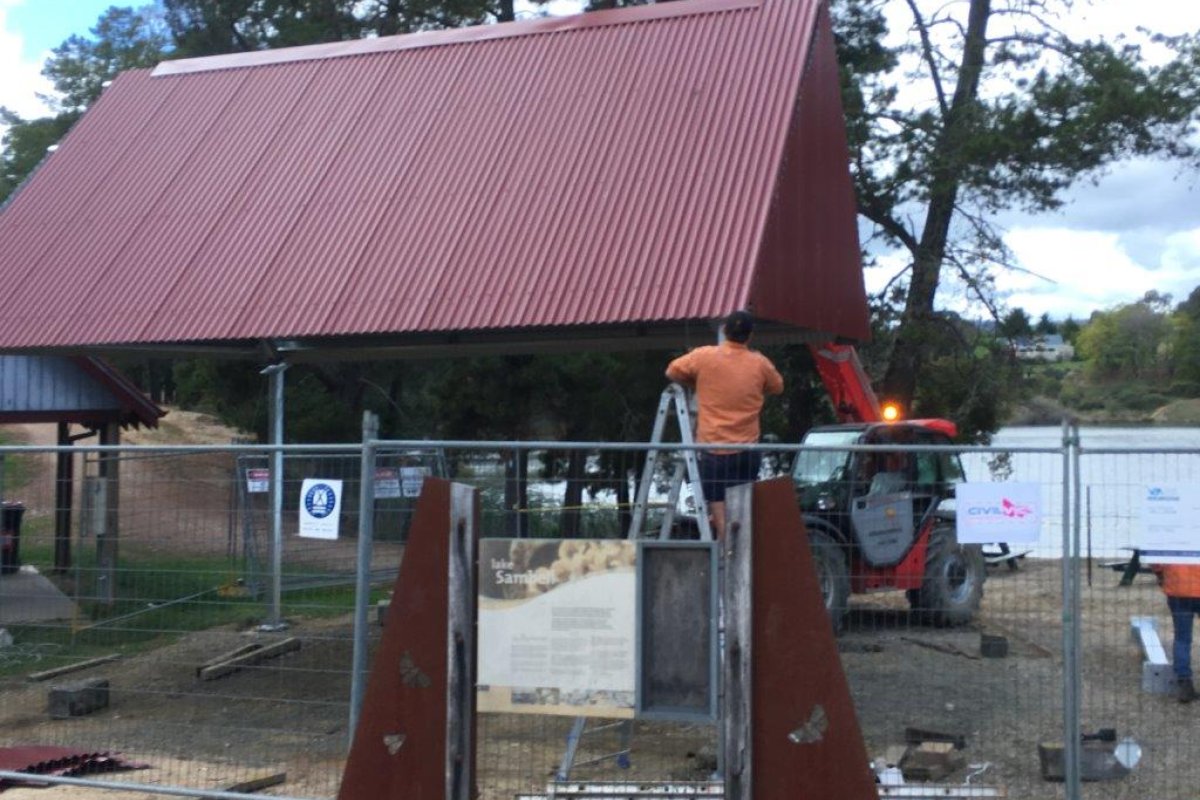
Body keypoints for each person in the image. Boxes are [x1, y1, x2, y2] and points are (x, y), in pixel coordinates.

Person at [665, 310, 783, 538]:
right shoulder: (759, 363)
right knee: (743, 498)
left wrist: (695, 382)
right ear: (749, 336)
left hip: (713, 447)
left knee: (716, 499)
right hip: (747, 449)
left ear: (724, 331)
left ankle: (726, 538)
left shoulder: (704, 356)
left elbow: (671, 370)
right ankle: (740, 544)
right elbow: (777, 387)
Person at [1154, 562, 1200, 703]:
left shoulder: (1171, 538)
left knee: (1182, 638)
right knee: (1182, 638)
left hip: (1178, 588)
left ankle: (1184, 682)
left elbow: (1156, 562)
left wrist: (1161, 574)